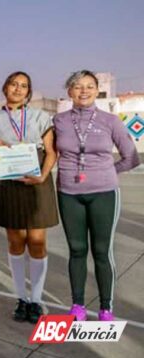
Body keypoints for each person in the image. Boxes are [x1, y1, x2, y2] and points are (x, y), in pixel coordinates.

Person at [54, 70, 140, 321]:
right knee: (77, 249)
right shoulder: (58, 120)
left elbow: (131, 157)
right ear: (69, 91)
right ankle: (78, 305)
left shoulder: (110, 120)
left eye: (89, 86)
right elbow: (47, 152)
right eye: (78, 86)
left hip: (103, 193)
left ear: (97, 90)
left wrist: (107, 173)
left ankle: (106, 307)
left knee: (102, 251)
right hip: (69, 193)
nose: (84, 91)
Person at [0, 71, 59, 324]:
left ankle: (36, 300)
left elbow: (51, 151)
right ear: (5, 87)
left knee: (36, 241)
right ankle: (21, 299)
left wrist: (43, 175)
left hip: (37, 178)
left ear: (29, 92)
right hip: (7, 180)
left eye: (24, 85)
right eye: (14, 84)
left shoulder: (42, 117)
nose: (18, 88)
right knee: (16, 241)